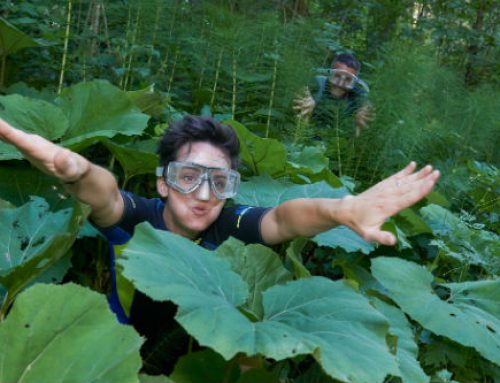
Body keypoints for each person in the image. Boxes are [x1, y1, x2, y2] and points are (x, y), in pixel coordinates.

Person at [0, 115, 439, 373]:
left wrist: (340, 210)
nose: (205, 196)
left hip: (208, 366)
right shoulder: (138, 219)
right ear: (163, 183)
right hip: (123, 360)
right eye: (188, 178)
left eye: (220, 182)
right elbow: (106, 194)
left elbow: (285, 217)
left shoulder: (232, 226)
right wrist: (76, 171)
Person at [294, 53, 375, 137]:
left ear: (354, 82)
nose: (340, 84)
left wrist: (364, 110)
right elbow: (303, 90)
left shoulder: (356, 93)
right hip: (308, 139)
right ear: (329, 73)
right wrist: (306, 101)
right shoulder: (318, 84)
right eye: (337, 76)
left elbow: (365, 101)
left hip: (335, 145)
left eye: (348, 79)